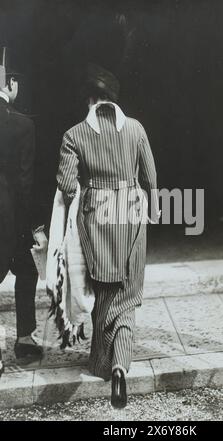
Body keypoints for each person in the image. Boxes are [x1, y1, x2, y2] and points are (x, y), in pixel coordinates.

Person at [56, 63, 159, 408]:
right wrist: (153, 210)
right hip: (131, 212)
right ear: (113, 99)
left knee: (104, 288)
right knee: (128, 294)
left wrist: (82, 199)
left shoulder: (74, 134)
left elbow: (67, 184)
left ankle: (101, 362)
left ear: (89, 99)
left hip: (96, 216)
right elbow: (150, 176)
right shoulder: (136, 128)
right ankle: (120, 365)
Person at [0, 48, 47, 376]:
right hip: (10, 218)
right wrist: (35, 226)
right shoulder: (22, 126)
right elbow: (25, 183)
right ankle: (24, 339)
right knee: (27, 270)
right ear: (11, 84)